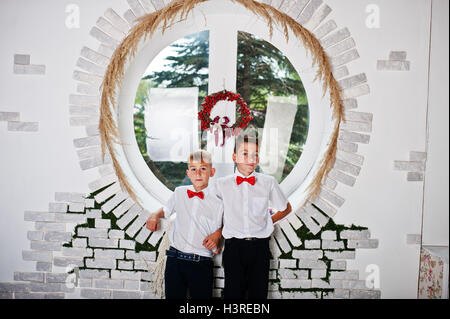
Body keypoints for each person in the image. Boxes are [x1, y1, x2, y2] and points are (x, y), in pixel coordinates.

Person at [215, 134, 292, 299]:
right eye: (244, 153)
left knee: (258, 295)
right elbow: (212, 212)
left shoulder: (268, 182)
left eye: (255, 154)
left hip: (260, 248)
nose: (251, 158)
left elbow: (285, 208)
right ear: (234, 157)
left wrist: (267, 221)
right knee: (233, 295)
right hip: (233, 248)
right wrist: (216, 233)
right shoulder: (221, 184)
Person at [146, 150, 223, 299]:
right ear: (188, 173)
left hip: (201, 262)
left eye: (203, 168)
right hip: (174, 260)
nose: (198, 173)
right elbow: (166, 210)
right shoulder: (179, 192)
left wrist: (218, 234)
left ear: (212, 172)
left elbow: (229, 223)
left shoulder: (219, 201)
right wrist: (155, 215)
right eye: (193, 169)